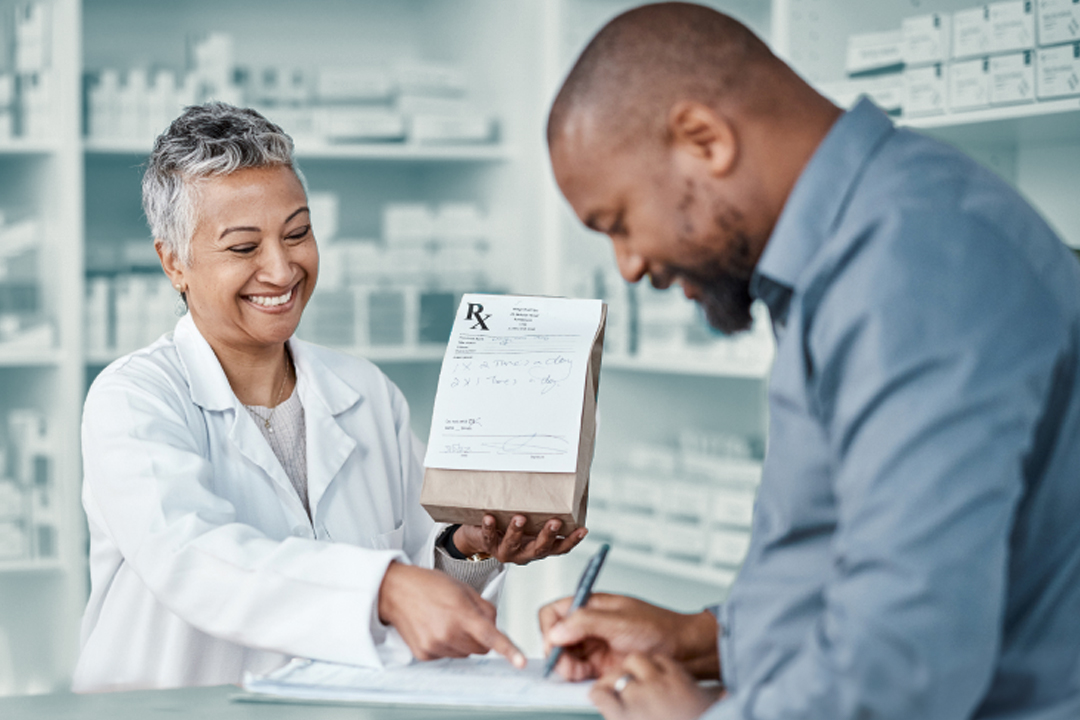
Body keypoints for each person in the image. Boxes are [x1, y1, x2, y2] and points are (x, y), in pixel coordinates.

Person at [539, 3, 1080, 720]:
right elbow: (862, 557)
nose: (630, 266)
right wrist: (700, 640)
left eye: (619, 224)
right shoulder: (854, 254)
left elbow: (904, 660)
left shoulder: (913, 262)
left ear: (704, 140)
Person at [74, 102, 587, 692]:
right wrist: (385, 586)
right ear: (174, 263)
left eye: (298, 233)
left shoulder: (365, 394)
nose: (282, 267)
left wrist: (468, 547)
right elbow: (193, 558)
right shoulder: (134, 399)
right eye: (244, 248)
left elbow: (424, 577)